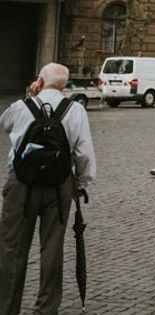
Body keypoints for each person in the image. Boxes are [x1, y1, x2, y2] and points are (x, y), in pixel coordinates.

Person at [0, 63, 97, 315]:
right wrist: (80, 184)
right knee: (52, 249)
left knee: (12, 248)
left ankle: (7, 308)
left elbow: (5, 123)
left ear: (40, 81)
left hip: (21, 185)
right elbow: (84, 154)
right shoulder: (75, 110)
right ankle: (46, 309)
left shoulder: (22, 106)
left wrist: (31, 97)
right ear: (64, 85)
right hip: (58, 186)